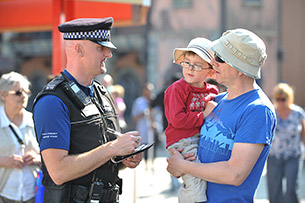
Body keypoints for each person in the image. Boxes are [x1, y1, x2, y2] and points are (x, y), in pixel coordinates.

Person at [32, 17, 142, 203]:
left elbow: (100, 158)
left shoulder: (102, 93)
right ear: (78, 49)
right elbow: (58, 172)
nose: (108, 54)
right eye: (101, 47)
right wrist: (112, 148)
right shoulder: (52, 100)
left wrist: (123, 157)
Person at [167, 28, 277, 203]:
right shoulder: (217, 99)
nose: (212, 62)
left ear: (241, 68)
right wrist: (179, 159)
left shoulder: (258, 110)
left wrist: (185, 166)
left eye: (219, 58)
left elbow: (235, 174)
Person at [164, 37, 218, 203]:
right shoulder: (177, 89)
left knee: (208, 175)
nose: (190, 68)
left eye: (197, 65)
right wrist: (203, 115)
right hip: (182, 140)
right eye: (187, 62)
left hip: (200, 138)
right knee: (195, 179)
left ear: (209, 72)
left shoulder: (214, 91)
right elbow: (177, 119)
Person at [0, 71, 41, 203]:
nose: (23, 96)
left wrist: (39, 158)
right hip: (4, 194)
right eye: (18, 92)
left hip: (33, 195)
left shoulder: (36, 120)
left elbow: (51, 152)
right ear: (3, 95)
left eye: (26, 92)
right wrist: (3, 161)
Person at [267, 83, 305, 203]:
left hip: (293, 156)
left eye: (283, 99)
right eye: (278, 99)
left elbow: (303, 134)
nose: (280, 102)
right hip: (274, 157)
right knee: (274, 191)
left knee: (292, 190)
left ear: (289, 98)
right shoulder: (271, 112)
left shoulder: (298, 113)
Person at [131, 83, 155, 170]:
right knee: (144, 149)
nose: (150, 92)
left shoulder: (154, 101)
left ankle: (152, 166)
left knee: (153, 148)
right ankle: (145, 166)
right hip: (142, 130)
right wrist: (144, 114)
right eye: (148, 90)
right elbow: (134, 117)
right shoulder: (139, 102)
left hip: (152, 131)